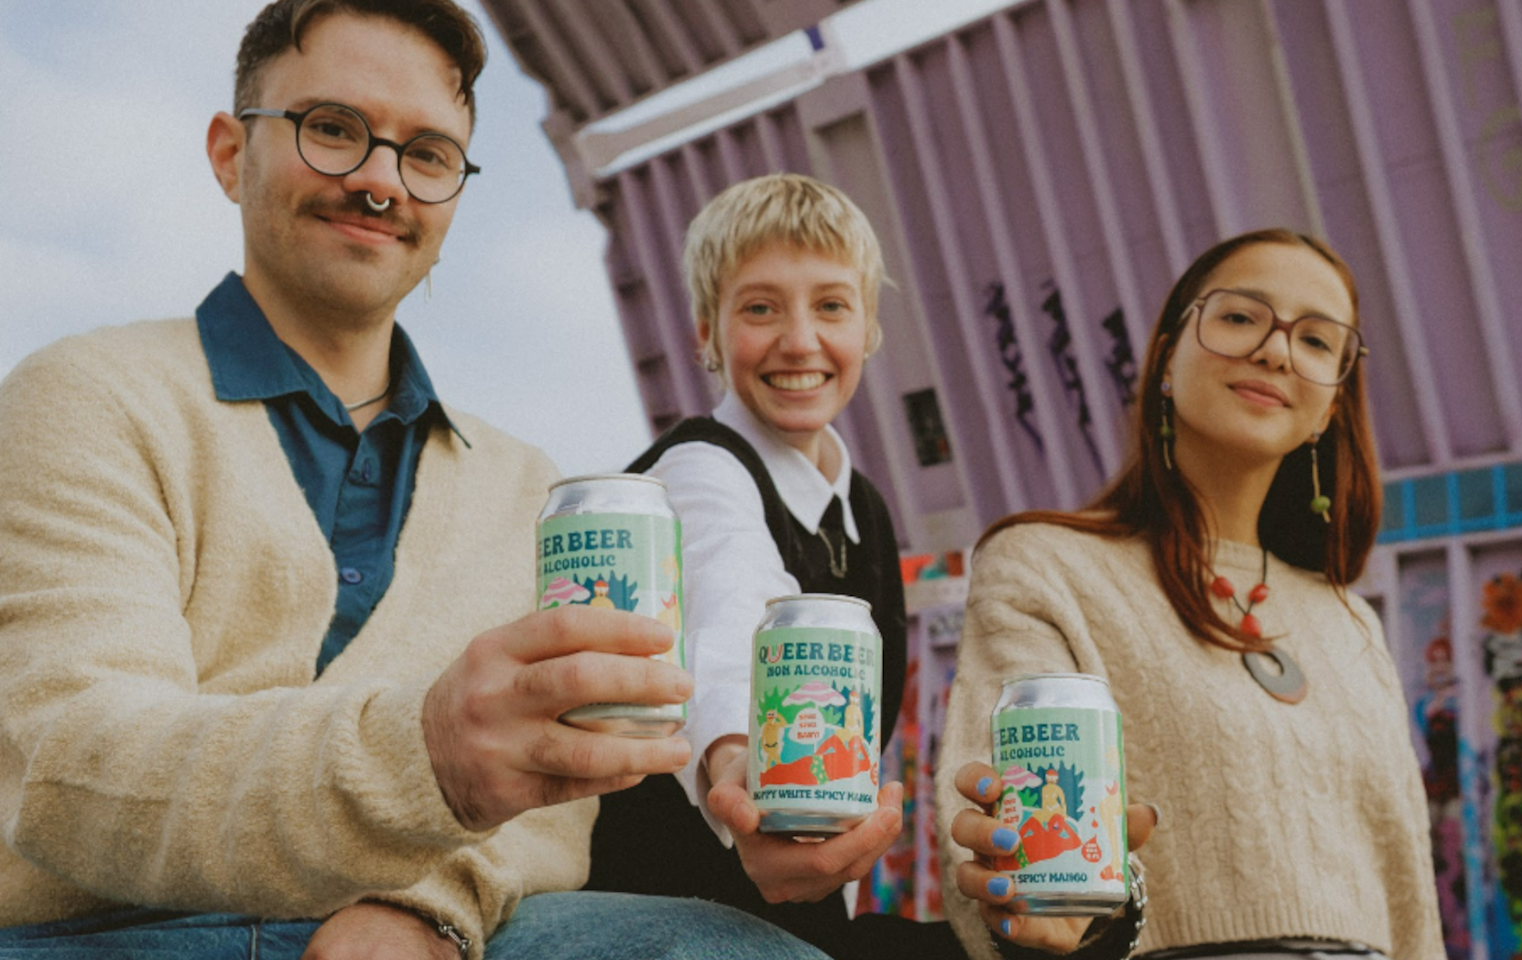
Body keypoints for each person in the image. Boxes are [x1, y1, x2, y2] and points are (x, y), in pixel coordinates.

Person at [0, 3, 826, 959]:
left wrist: (420, 908)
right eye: (333, 130)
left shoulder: (527, 484)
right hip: (116, 931)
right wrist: (423, 756)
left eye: (427, 153)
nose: (381, 181)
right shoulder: (85, 396)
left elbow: (546, 804)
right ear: (231, 154)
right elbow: (70, 763)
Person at [937, 230, 1446, 960]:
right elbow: (997, 855)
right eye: (1241, 318)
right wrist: (1041, 918)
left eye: (1315, 341)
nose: (1275, 351)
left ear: (1332, 405)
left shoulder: (1351, 623)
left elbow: (1410, 902)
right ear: (1167, 360)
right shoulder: (1045, 568)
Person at [585, 173, 962, 958]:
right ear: (706, 334)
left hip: (791, 918)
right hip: (664, 923)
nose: (799, 341)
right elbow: (732, 623)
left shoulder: (864, 506)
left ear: (869, 330)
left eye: (830, 305)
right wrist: (741, 765)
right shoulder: (697, 470)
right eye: (760, 308)